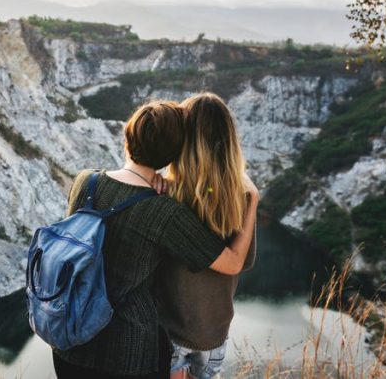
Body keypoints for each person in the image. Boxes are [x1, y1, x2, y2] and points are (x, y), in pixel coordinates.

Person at [52, 99, 259, 379]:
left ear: (126, 138)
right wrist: (252, 199)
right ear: (171, 154)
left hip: (68, 338)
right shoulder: (164, 210)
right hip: (128, 352)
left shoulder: (85, 181)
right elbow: (233, 262)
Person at [155, 92, 258, 379]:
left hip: (170, 328)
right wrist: (253, 202)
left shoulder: (165, 192)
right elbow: (244, 261)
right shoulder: (240, 197)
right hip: (214, 331)